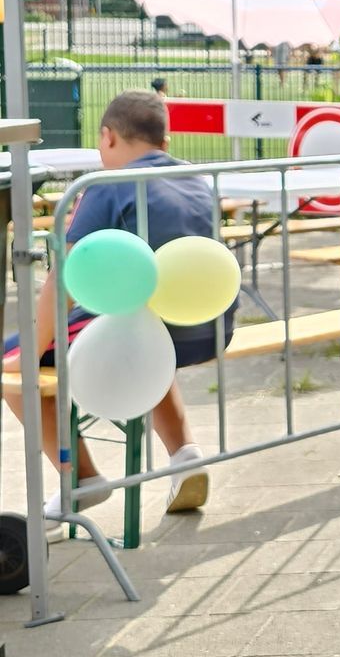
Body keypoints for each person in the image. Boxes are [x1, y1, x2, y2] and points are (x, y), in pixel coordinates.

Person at [5, 90, 222, 514]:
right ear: (166, 142)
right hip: (205, 328)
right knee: (145, 331)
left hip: (145, 329)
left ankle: (82, 479)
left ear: (107, 137)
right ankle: (185, 456)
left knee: (13, 370)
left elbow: (64, 279)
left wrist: (27, 355)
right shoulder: (196, 179)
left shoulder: (106, 185)